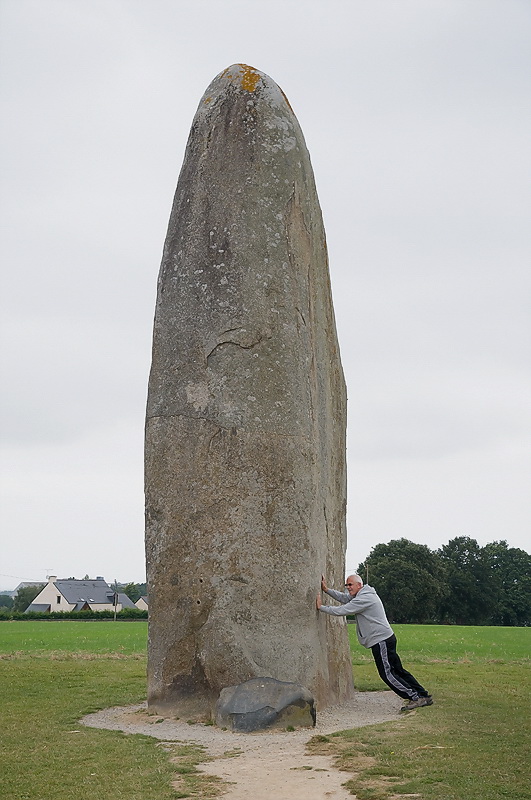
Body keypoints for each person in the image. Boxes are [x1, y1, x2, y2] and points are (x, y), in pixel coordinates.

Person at [316, 573, 433, 711]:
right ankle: (423, 695)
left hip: (381, 641)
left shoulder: (365, 598)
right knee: (399, 671)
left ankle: (416, 697)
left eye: (350, 585)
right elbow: (345, 598)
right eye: (347, 585)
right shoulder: (363, 594)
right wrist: (327, 590)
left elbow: (343, 610)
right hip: (386, 638)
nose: (348, 588)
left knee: (387, 674)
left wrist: (321, 607)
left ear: (359, 585)